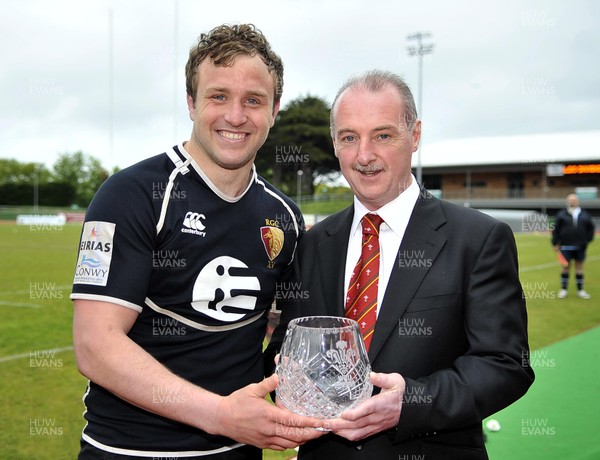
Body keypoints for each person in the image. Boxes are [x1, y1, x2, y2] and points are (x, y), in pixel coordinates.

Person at [70, 24, 324, 459]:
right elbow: (95, 346)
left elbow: (282, 333)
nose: (236, 116)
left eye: (254, 101)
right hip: (131, 451)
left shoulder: (284, 218)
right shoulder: (130, 194)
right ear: (191, 103)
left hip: (240, 451)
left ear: (275, 110)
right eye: (218, 96)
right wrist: (221, 415)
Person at [265, 70, 535, 459]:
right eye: (349, 138)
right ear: (335, 144)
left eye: (383, 135)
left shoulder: (476, 239)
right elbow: (282, 348)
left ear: (416, 136)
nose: (364, 155)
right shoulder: (311, 245)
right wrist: (284, 378)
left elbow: (506, 365)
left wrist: (411, 403)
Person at [552, 193, 595, 299]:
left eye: (574, 200)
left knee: (579, 267)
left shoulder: (585, 214)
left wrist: (587, 240)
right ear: (567, 201)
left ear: (578, 201)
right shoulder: (561, 214)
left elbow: (591, 228)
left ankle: (580, 290)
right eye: (570, 200)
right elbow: (556, 230)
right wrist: (555, 243)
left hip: (580, 246)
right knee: (565, 267)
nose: (572, 201)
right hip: (565, 246)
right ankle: (563, 290)